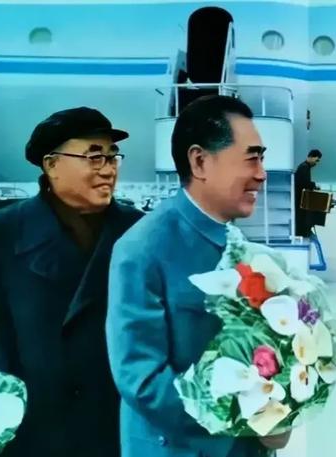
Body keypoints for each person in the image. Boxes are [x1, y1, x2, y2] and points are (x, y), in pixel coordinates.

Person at [106, 95, 290, 457]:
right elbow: (141, 380)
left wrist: (282, 408)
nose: (262, 173)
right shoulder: (142, 249)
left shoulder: (242, 247)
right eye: (251, 158)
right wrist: (245, 416)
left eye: (262, 158)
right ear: (200, 161)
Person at [0, 107, 143, 456]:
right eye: (94, 157)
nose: (108, 169)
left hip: (121, 428)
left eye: (113, 156)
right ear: (51, 165)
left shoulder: (139, 231)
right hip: (36, 433)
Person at [294, 149, 322, 237]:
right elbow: (304, 183)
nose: (316, 163)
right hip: (299, 199)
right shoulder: (304, 167)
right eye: (316, 160)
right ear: (310, 157)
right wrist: (314, 185)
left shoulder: (304, 167)